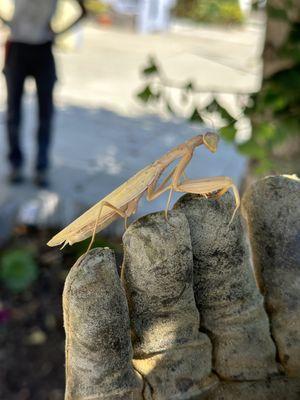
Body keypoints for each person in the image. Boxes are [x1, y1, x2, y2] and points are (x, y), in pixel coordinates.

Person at [0, 0, 87, 187]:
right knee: (13, 112)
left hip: (43, 49)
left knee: (45, 114)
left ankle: (41, 167)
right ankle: (16, 164)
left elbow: (83, 10)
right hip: (17, 47)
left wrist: (58, 32)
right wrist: (8, 23)